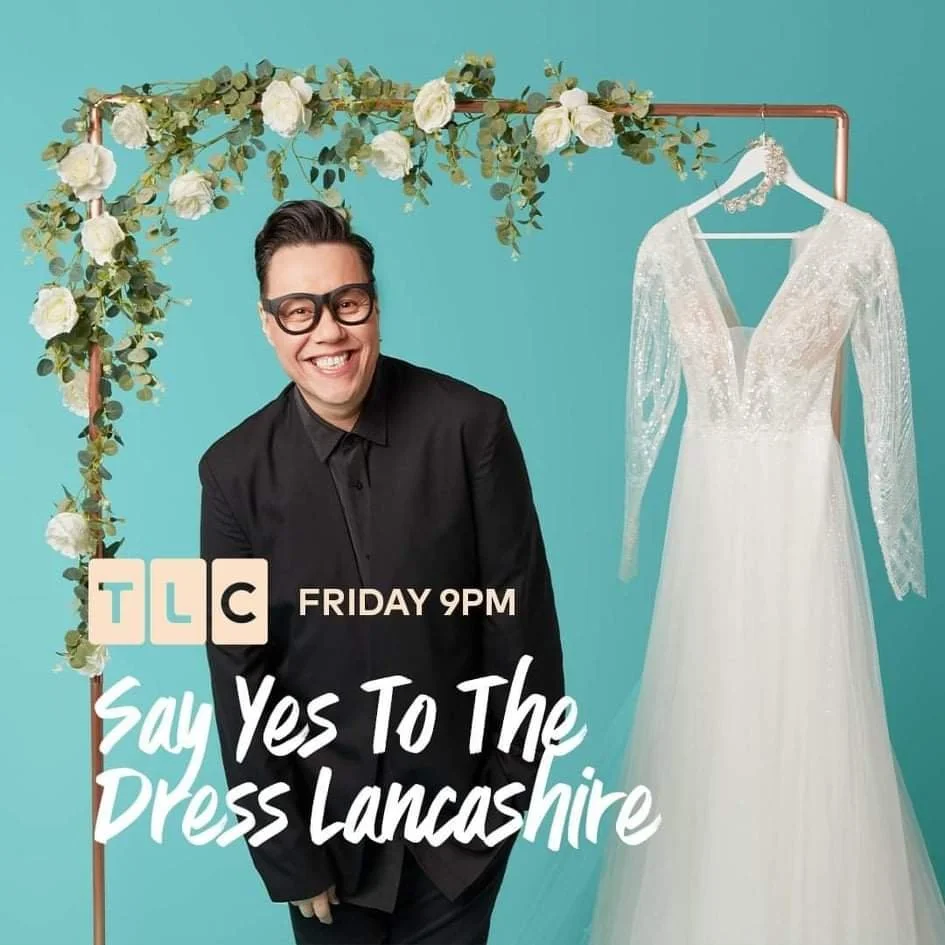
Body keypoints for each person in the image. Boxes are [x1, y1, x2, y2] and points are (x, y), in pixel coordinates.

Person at [198, 199, 566, 944]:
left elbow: (523, 640)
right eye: (299, 311)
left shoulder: (471, 427)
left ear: (374, 305)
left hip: (457, 840)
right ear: (268, 323)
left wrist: (497, 811)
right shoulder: (231, 473)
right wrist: (289, 858)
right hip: (324, 848)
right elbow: (241, 680)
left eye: (348, 303)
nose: (328, 332)